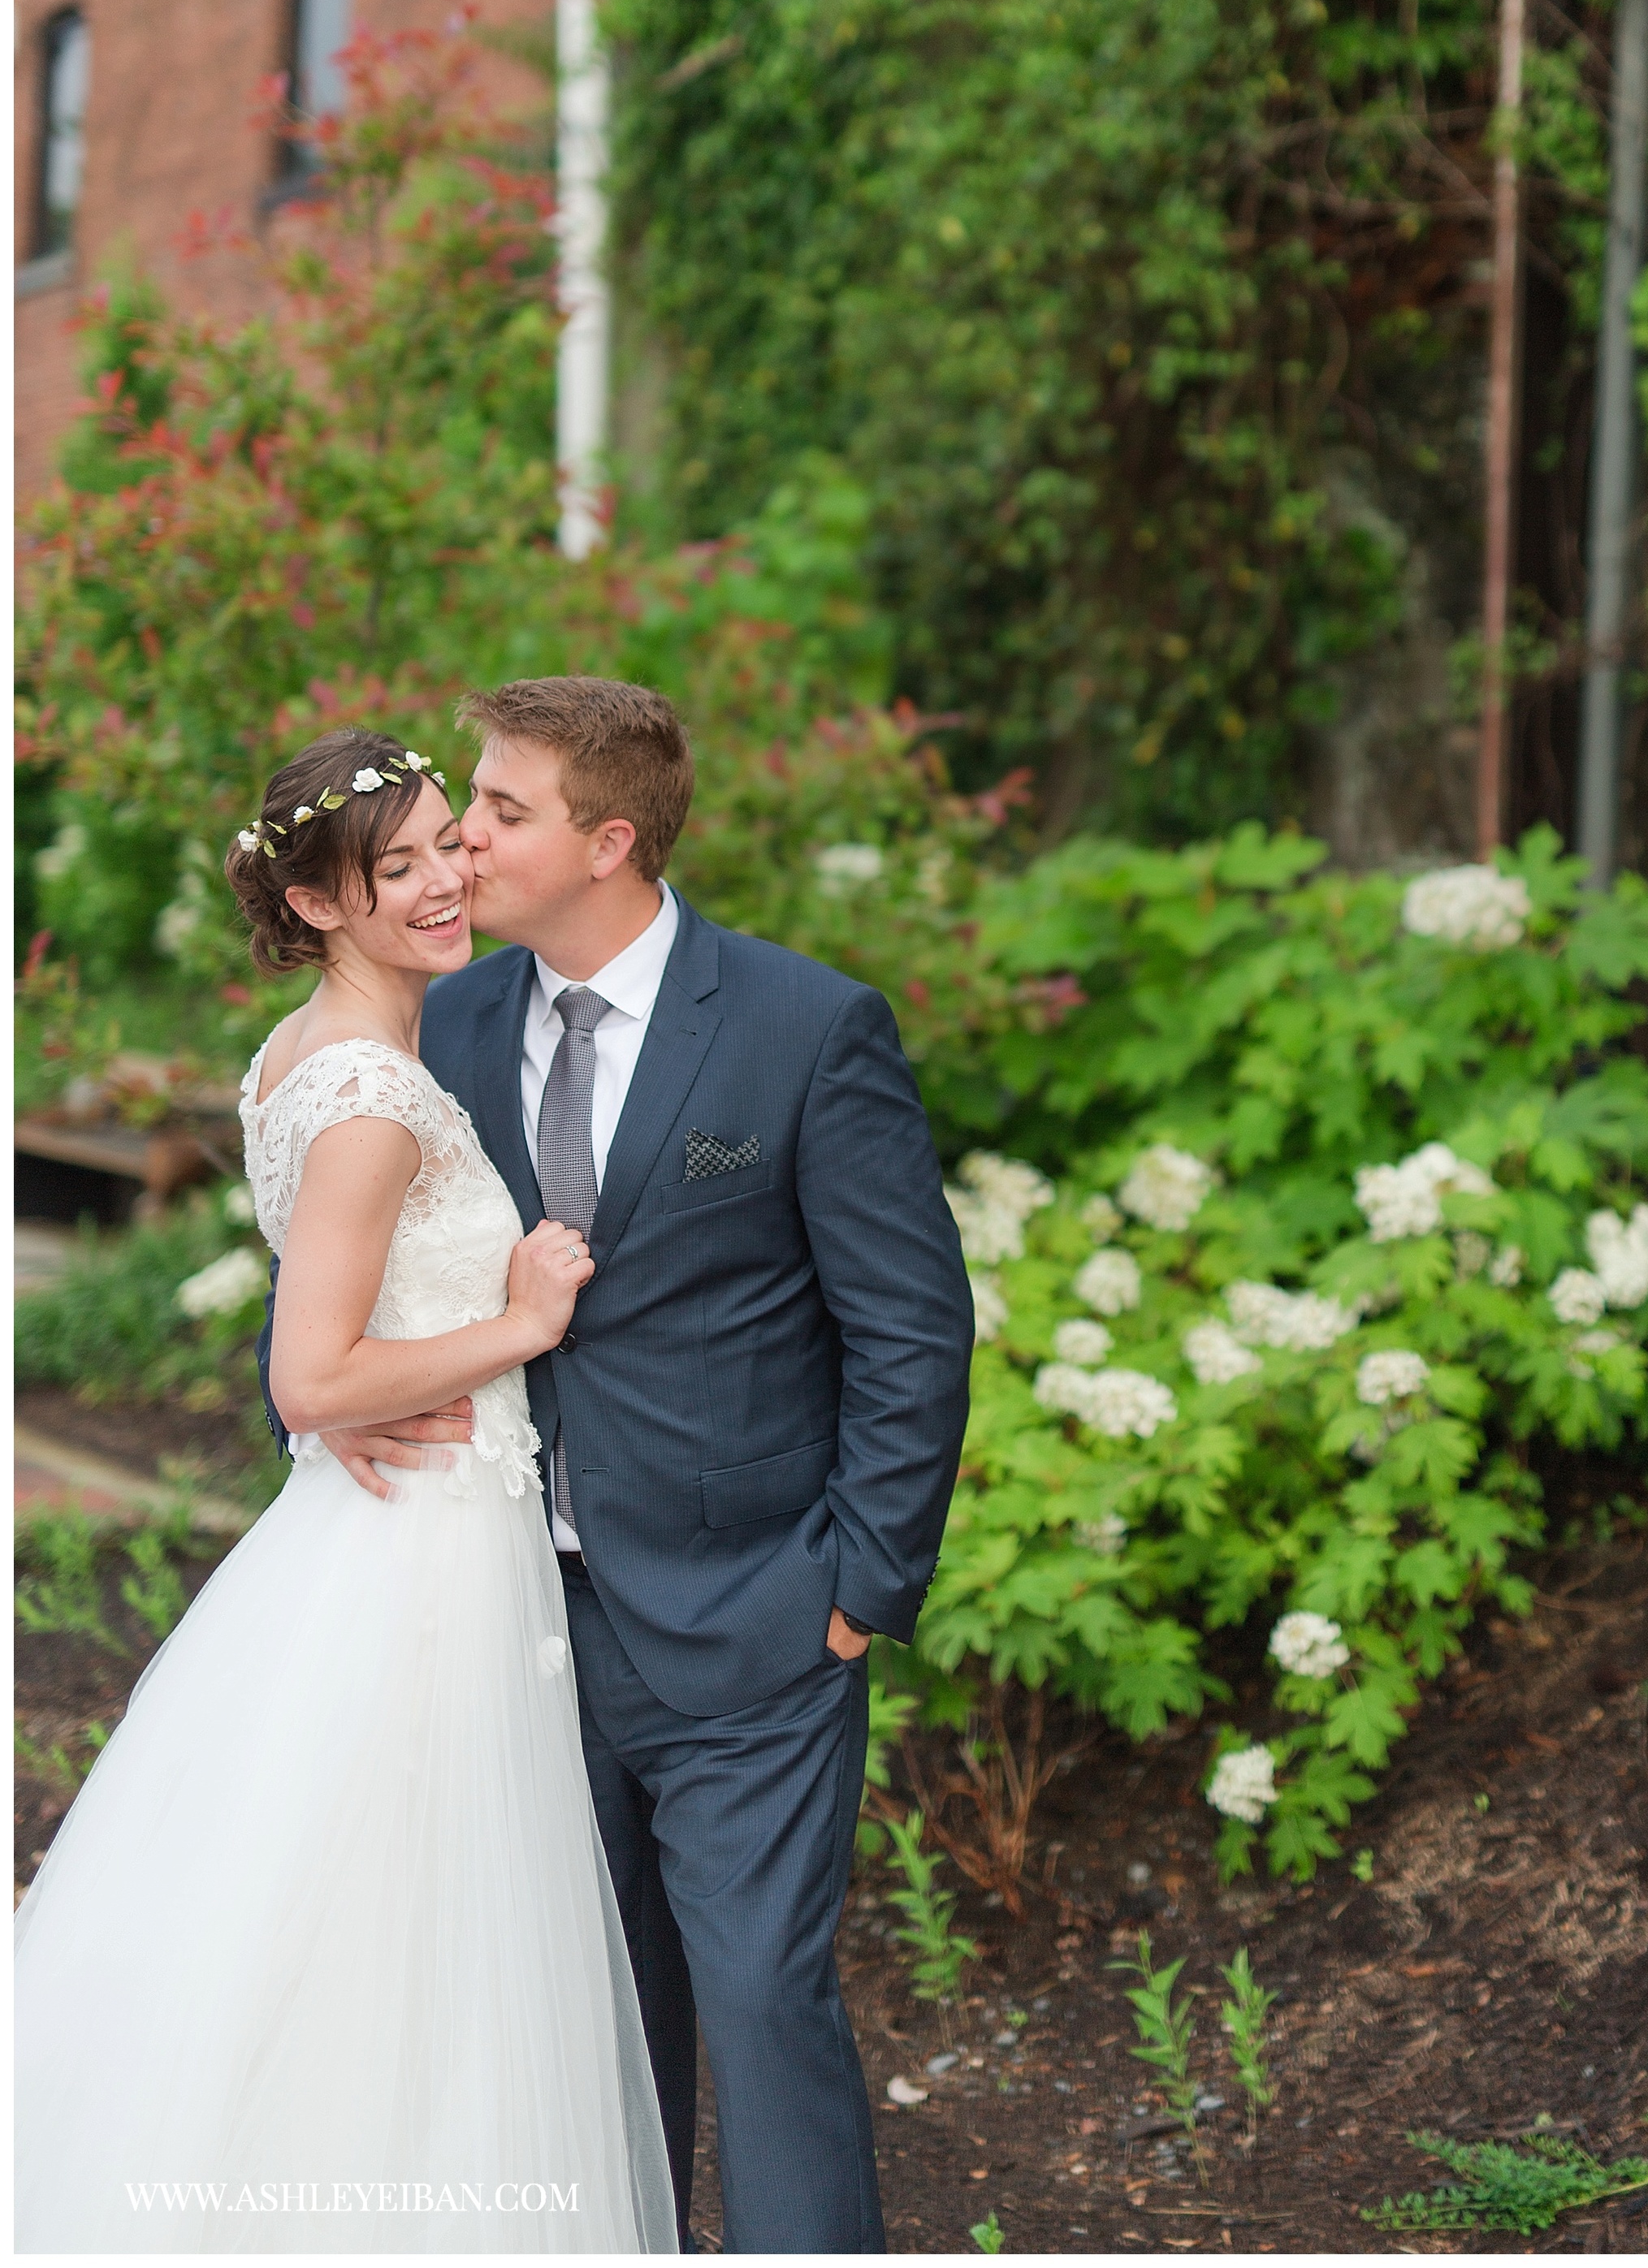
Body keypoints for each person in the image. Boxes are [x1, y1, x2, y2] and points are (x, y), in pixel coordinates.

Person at [257, 676, 974, 2253]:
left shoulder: (803, 1027)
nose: (463, 842)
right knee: (573, 2023)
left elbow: (911, 1331)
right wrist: (318, 1409)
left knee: (763, 2005)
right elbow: (336, 1263)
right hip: (506, 1616)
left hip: (757, 1627)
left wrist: (859, 1587)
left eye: (499, 813)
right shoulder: (436, 1018)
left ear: (609, 839)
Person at [15, 729, 680, 2255]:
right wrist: (520, 1320)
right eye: (402, 866)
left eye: (453, 839)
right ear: (320, 901)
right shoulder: (375, 1093)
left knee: (349, 1917)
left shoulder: (302, 1051)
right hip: (424, 1551)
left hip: (393, 1522)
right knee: (412, 1927)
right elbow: (314, 1375)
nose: (449, 877)